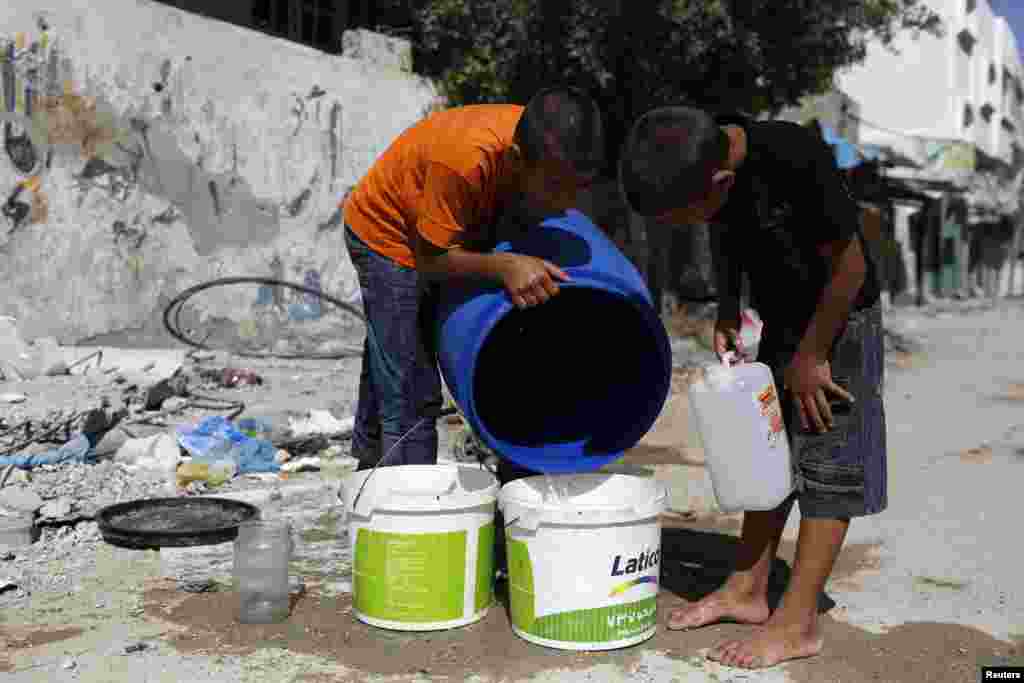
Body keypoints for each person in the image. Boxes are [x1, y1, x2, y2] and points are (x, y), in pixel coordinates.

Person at [619, 107, 886, 669]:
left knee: (827, 460)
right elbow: (728, 237)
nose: (691, 225)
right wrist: (727, 308)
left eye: (686, 216)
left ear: (722, 182)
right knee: (771, 451)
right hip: (786, 322)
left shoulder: (795, 159)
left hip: (837, 321)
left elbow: (852, 267)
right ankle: (747, 588)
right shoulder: (710, 147)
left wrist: (813, 355)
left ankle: (797, 623)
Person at [342, 88, 605, 472]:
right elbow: (430, 261)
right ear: (516, 161)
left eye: (578, 189)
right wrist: (503, 266)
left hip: (439, 222)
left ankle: (370, 463)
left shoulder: (546, 142)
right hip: (388, 234)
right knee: (410, 382)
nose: (566, 202)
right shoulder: (465, 161)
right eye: (555, 188)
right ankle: (410, 507)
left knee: (391, 349)